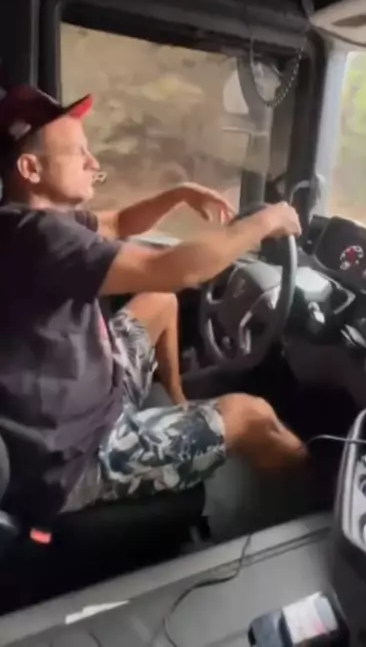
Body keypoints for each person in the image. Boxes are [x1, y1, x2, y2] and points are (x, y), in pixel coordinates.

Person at [0, 85, 308, 523]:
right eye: (78, 153)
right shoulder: (39, 237)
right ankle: (316, 509)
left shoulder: (28, 222)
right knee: (251, 416)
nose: (94, 163)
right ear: (30, 168)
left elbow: (118, 222)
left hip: (90, 392)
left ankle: (178, 404)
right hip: (76, 454)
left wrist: (178, 193)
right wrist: (266, 220)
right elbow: (173, 269)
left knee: (160, 303)